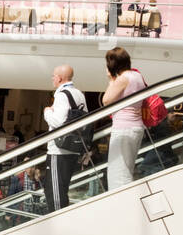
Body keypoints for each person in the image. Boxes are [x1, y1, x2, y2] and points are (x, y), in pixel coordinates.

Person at [42, 64, 88, 213]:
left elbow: (59, 123)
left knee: (54, 192)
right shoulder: (79, 94)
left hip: (58, 151)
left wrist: (47, 112)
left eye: (53, 76)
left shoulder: (62, 95)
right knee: (62, 189)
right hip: (73, 149)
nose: (52, 78)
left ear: (60, 78)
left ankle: (57, 224)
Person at [99, 46, 146, 189]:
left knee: (118, 172)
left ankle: (122, 204)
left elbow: (106, 100)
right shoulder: (137, 76)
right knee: (127, 168)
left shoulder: (123, 78)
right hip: (136, 126)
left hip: (123, 128)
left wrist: (111, 79)